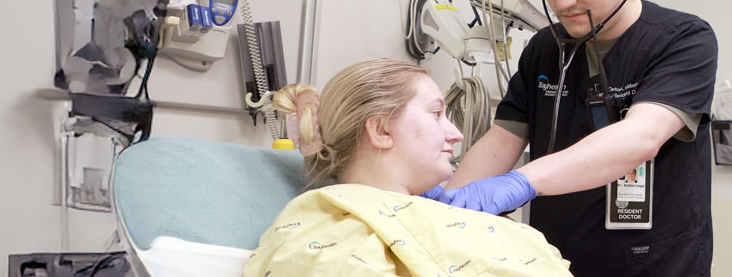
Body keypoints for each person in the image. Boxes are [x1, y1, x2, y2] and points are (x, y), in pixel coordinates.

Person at [430, 0, 720, 276]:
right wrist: (441, 212)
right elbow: (501, 141)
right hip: (557, 261)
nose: (562, 1)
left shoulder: (683, 39)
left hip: (656, 262)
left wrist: (521, 182)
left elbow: (641, 138)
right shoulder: (544, 49)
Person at [244, 59, 572, 276]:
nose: (456, 134)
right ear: (381, 130)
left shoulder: (476, 226)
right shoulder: (333, 237)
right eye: (436, 114)